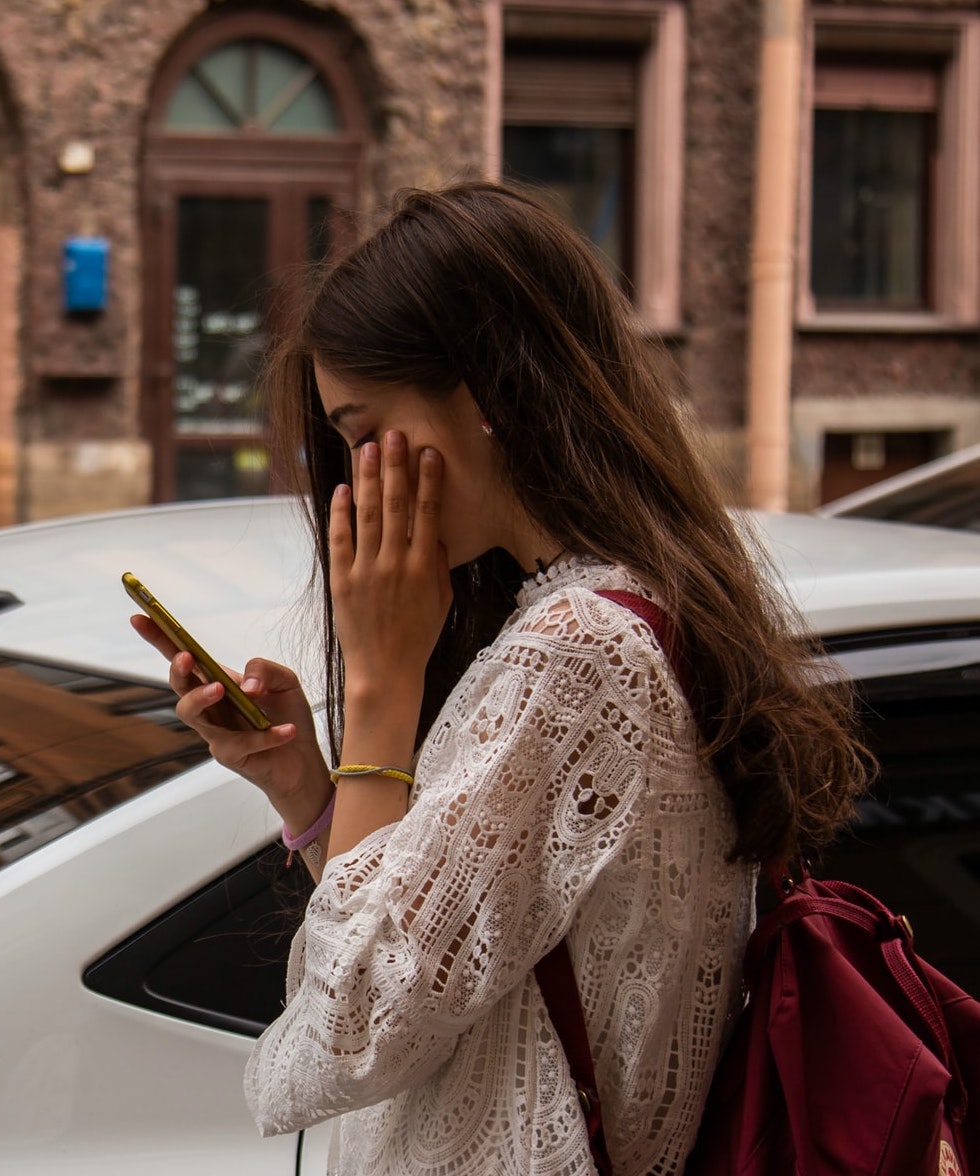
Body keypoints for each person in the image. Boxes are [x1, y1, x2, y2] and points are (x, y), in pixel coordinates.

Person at [132, 181, 868, 1175]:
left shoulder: (575, 653)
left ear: (481, 392)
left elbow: (350, 1029)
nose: (353, 481)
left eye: (362, 429)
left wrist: (384, 693)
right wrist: (307, 788)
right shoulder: (612, 613)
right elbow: (439, 953)